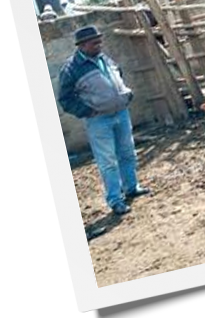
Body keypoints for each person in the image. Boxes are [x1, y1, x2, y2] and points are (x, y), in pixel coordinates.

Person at [58, 26, 150, 215]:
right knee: (108, 161)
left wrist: (124, 94)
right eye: (94, 43)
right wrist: (87, 111)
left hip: (121, 113)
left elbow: (118, 74)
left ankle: (131, 187)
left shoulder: (104, 58)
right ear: (82, 46)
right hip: (98, 120)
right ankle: (115, 200)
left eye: (99, 41)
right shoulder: (71, 69)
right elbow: (65, 99)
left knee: (127, 152)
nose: (99, 45)